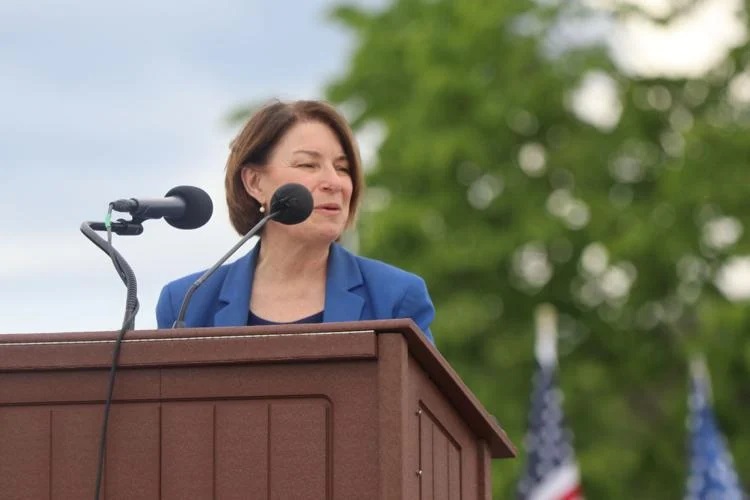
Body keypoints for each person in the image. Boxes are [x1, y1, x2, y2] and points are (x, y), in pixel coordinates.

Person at [156, 99, 435, 343]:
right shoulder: (186, 303)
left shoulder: (395, 297)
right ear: (254, 182)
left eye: (342, 168)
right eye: (308, 165)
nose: (334, 182)